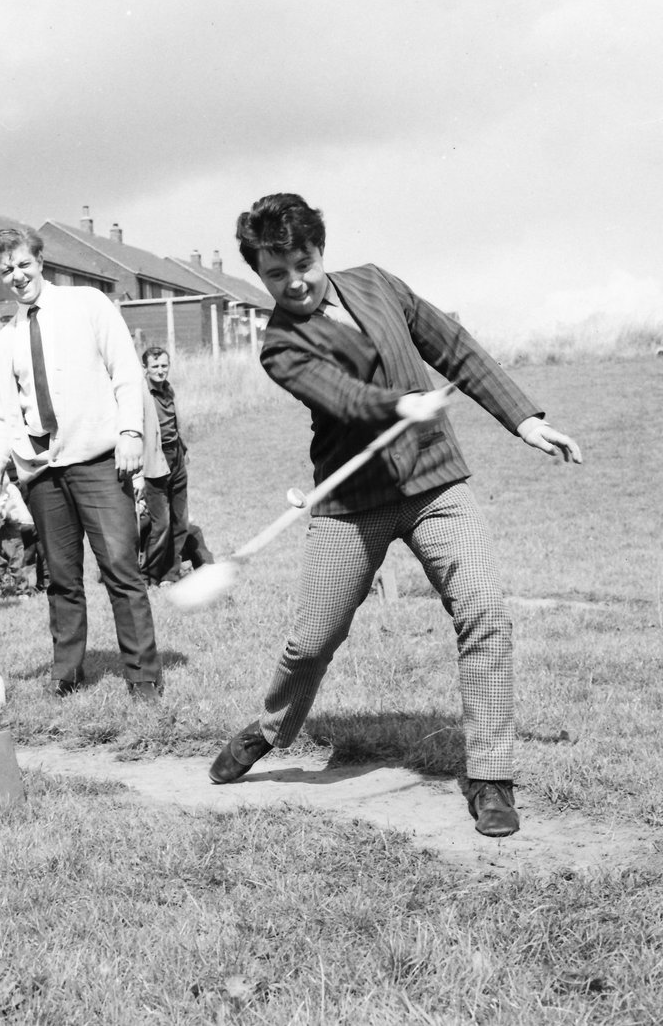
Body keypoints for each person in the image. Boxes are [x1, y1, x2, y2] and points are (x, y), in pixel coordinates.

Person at [210, 192, 583, 838]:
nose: (295, 281)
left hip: (434, 480)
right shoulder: (279, 345)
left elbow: (455, 347)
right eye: (276, 273)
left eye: (304, 261)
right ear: (259, 275)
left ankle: (490, 776)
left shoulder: (377, 284)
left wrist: (524, 419)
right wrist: (395, 404)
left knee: (484, 611)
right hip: (351, 502)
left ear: (319, 249)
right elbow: (341, 395)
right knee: (312, 640)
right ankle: (271, 728)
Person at [0, 226, 162, 701]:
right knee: (60, 577)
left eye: (23, 264)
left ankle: (143, 679)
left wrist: (130, 432)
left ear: (40, 261)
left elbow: (126, 372)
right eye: (6, 269)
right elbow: (3, 417)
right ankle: (67, 674)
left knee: (119, 568)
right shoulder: (5, 340)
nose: (17, 275)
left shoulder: (88, 304)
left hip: (99, 463)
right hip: (42, 474)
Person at [139, 346, 191, 585]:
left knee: (180, 521)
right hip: (155, 462)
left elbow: (174, 423)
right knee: (162, 524)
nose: (161, 371)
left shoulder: (168, 389)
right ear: (146, 368)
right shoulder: (141, 394)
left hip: (176, 457)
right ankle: (148, 575)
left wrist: (183, 451)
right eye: (155, 366)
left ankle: (170, 574)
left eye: (164, 366)